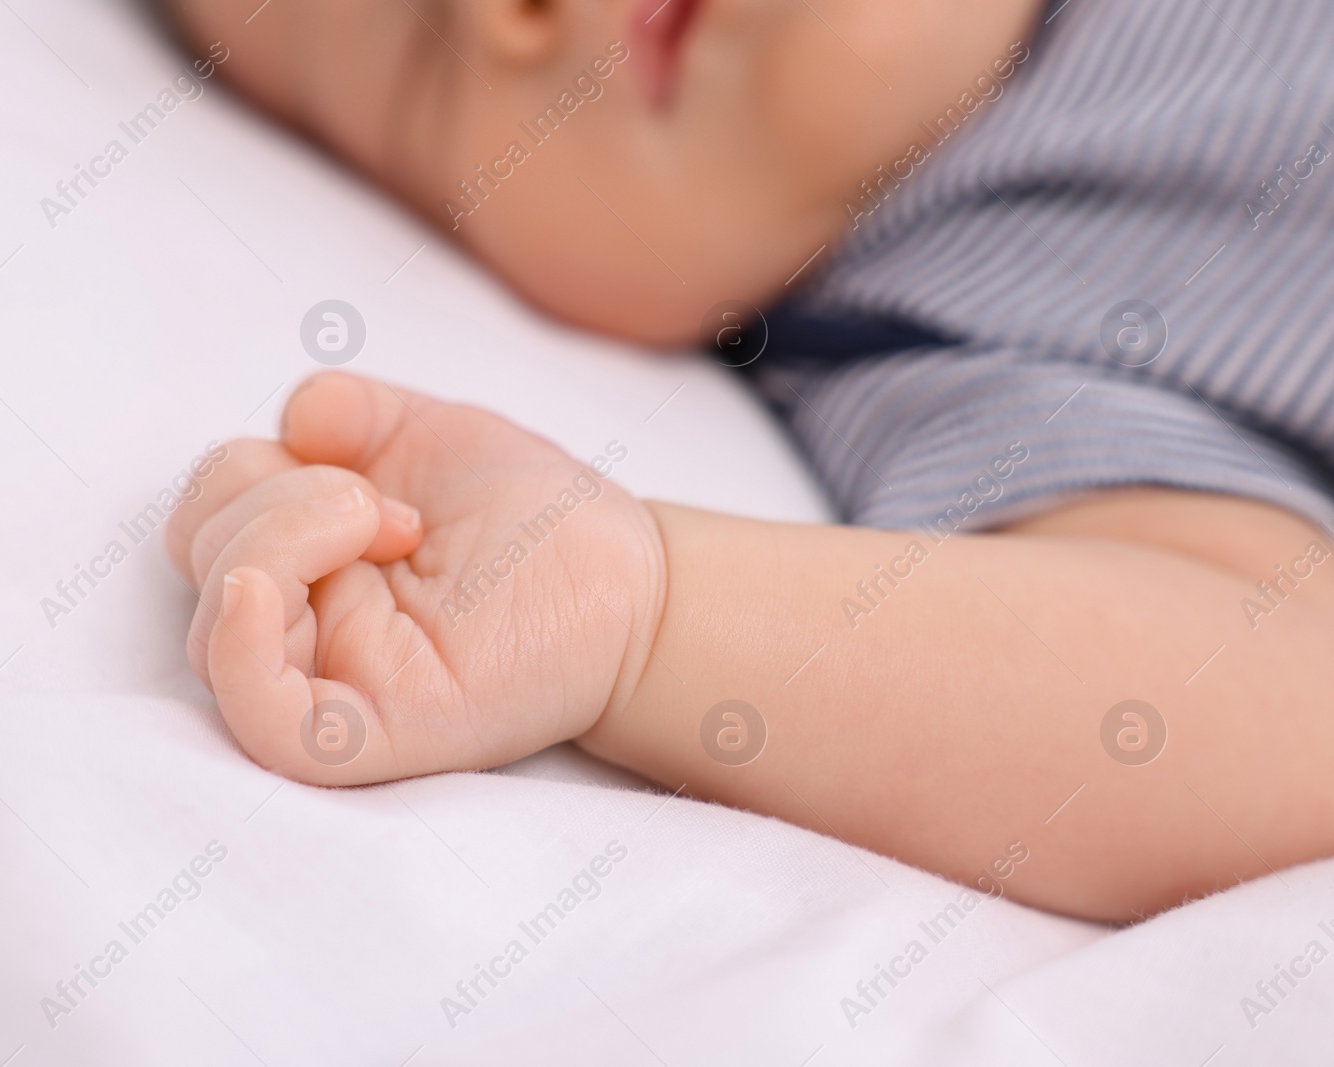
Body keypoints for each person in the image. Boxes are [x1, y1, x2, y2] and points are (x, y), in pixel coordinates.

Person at [158, 0, 1334, 921]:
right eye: (420, 61)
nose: (496, 10)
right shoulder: (952, 342)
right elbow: (1275, 689)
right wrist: (644, 610)